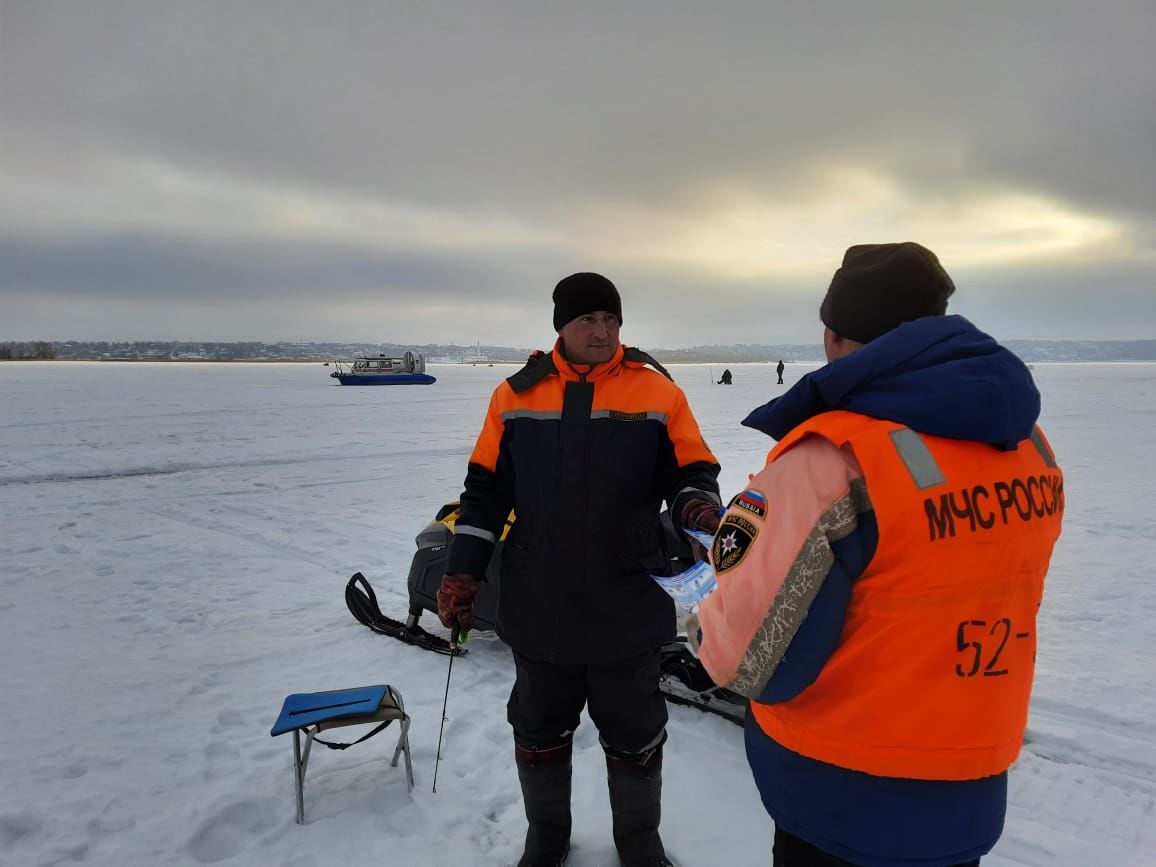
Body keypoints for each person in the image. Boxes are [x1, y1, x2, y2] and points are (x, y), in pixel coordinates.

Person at [689, 243, 1064, 867]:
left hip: (841, 793)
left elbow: (752, 661)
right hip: (969, 779)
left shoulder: (831, 462)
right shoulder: (1027, 444)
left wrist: (706, 615)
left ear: (835, 335)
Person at [438, 272, 722, 867]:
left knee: (636, 731)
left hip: (629, 600)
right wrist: (463, 574)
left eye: (611, 320)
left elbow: (693, 469)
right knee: (538, 730)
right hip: (541, 601)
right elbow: (484, 494)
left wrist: (695, 503)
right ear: (561, 327)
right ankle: (546, 834)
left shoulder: (657, 392)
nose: (602, 331)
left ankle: (638, 839)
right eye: (588, 320)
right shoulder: (515, 396)